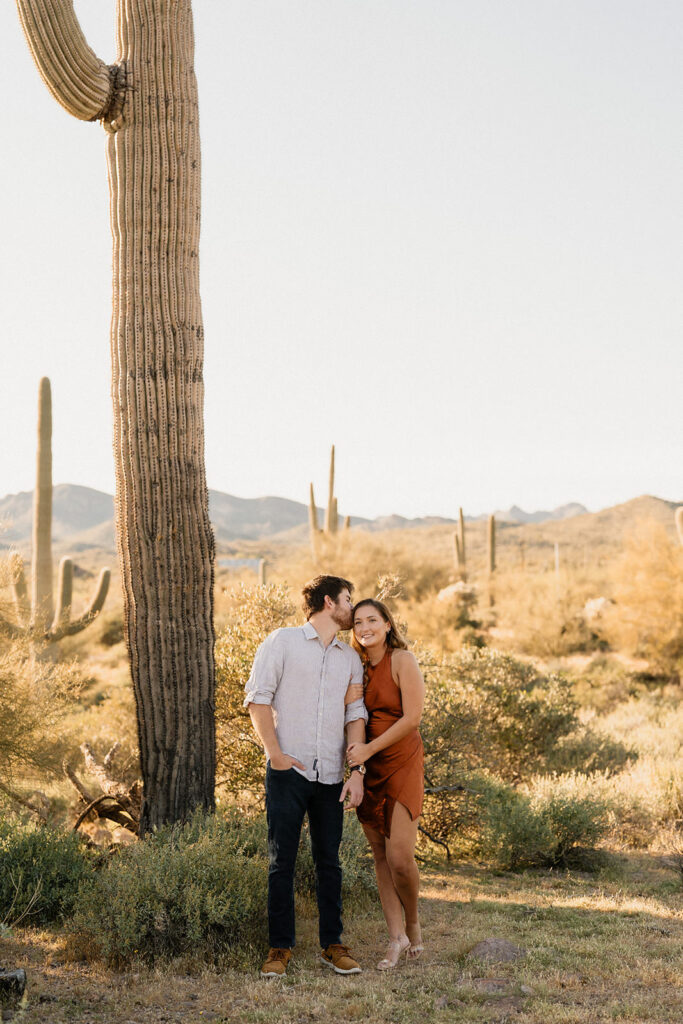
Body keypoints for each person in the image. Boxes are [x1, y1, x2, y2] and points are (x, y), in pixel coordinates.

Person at [244, 574, 368, 978]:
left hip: (331, 774)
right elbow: (258, 698)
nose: (353, 607)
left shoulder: (349, 659)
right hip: (288, 772)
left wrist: (356, 771)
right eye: (348, 599)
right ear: (330, 602)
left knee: (329, 862)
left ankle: (332, 945)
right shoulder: (282, 642)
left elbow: (354, 715)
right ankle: (279, 949)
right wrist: (274, 754)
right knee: (282, 861)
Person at [346, 599, 425, 970]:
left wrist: (367, 750)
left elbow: (412, 718)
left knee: (400, 859)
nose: (365, 627)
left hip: (402, 762)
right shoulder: (354, 665)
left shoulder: (402, 661)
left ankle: (413, 922)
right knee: (379, 855)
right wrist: (358, 766)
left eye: (372, 620)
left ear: (387, 624)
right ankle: (396, 938)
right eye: (358, 621)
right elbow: (353, 715)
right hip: (368, 766)